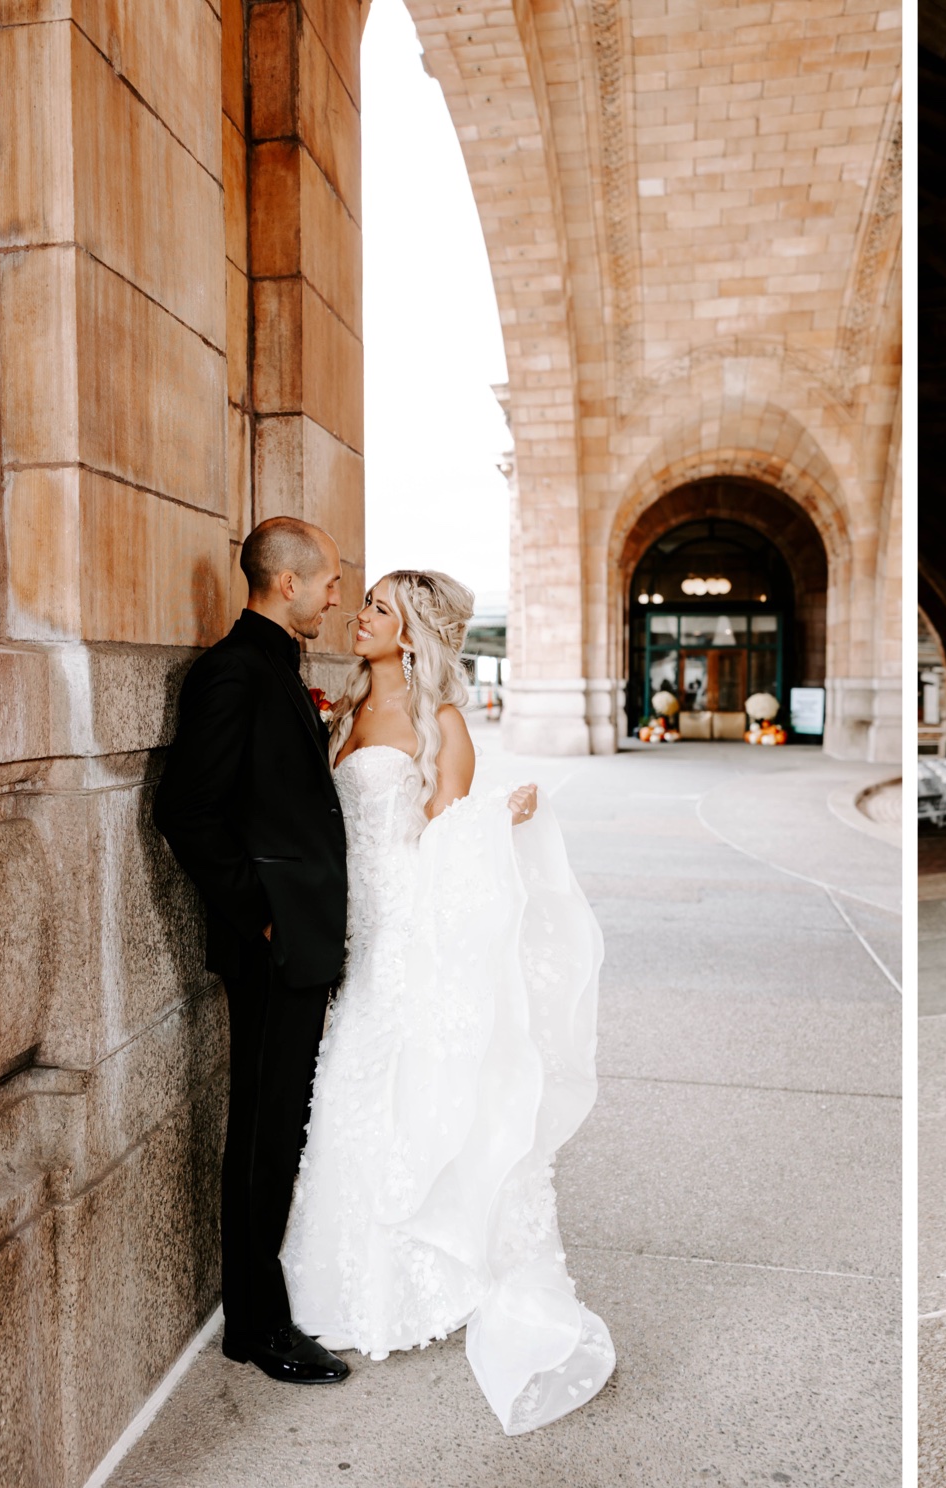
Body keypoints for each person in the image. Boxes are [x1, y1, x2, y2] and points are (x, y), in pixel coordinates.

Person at [278, 570, 615, 1435]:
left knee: (395, 1091)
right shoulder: (342, 713)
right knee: (349, 1098)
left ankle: (421, 1275)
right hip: (348, 925)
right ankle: (342, 1276)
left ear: (414, 632)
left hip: (402, 931)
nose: (360, 616)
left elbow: (445, 836)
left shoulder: (444, 723)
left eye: (379, 609)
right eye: (364, 604)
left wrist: (505, 813)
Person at [155, 516, 353, 1385]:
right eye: (331, 580)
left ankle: (256, 1315)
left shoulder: (279, 666)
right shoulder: (232, 673)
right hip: (271, 946)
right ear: (287, 584)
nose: (337, 594)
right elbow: (186, 810)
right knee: (264, 1134)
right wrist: (260, 915)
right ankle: (257, 1326)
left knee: (281, 1128)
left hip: (298, 941)